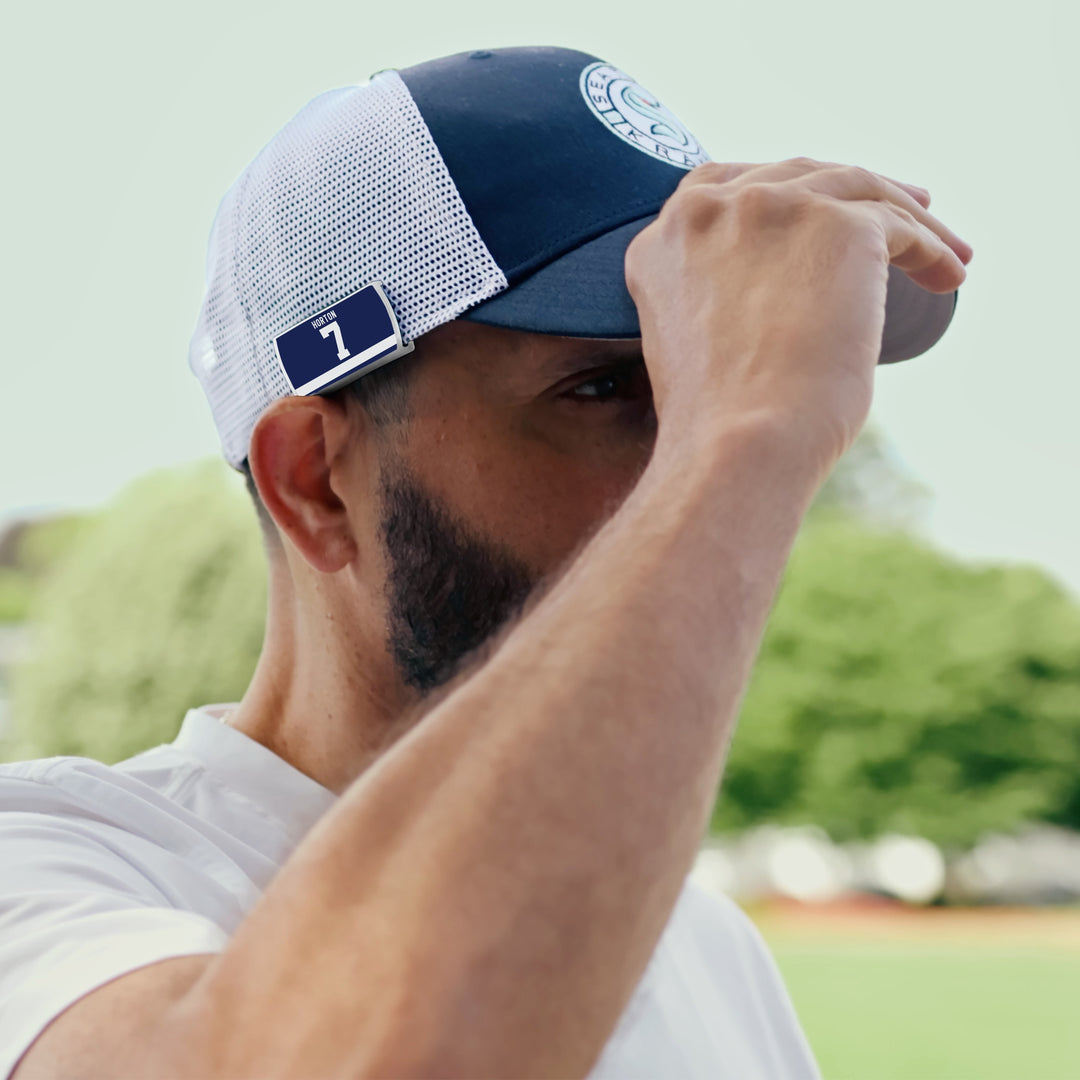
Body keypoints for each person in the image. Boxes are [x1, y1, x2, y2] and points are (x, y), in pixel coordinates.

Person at [0, 46, 972, 1079]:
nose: (683, 474)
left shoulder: (704, 943)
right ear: (315, 482)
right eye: (603, 390)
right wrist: (743, 433)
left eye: (692, 382)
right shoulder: (64, 868)